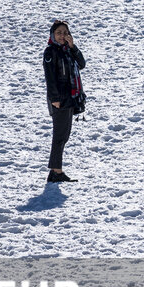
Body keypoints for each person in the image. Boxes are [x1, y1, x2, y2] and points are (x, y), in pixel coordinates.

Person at [43, 20, 85, 183]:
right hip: (59, 99)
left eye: (65, 33)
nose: (62, 36)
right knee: (60, 136)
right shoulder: (50, 52)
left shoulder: (68, 51)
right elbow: (50, 78)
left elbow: (82, 64)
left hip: (69, 98)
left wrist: (73, 47)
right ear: (53, 35)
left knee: (64, 135)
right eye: (59, 32)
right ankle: (56, 172)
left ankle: (56, 171)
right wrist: (54, 99)